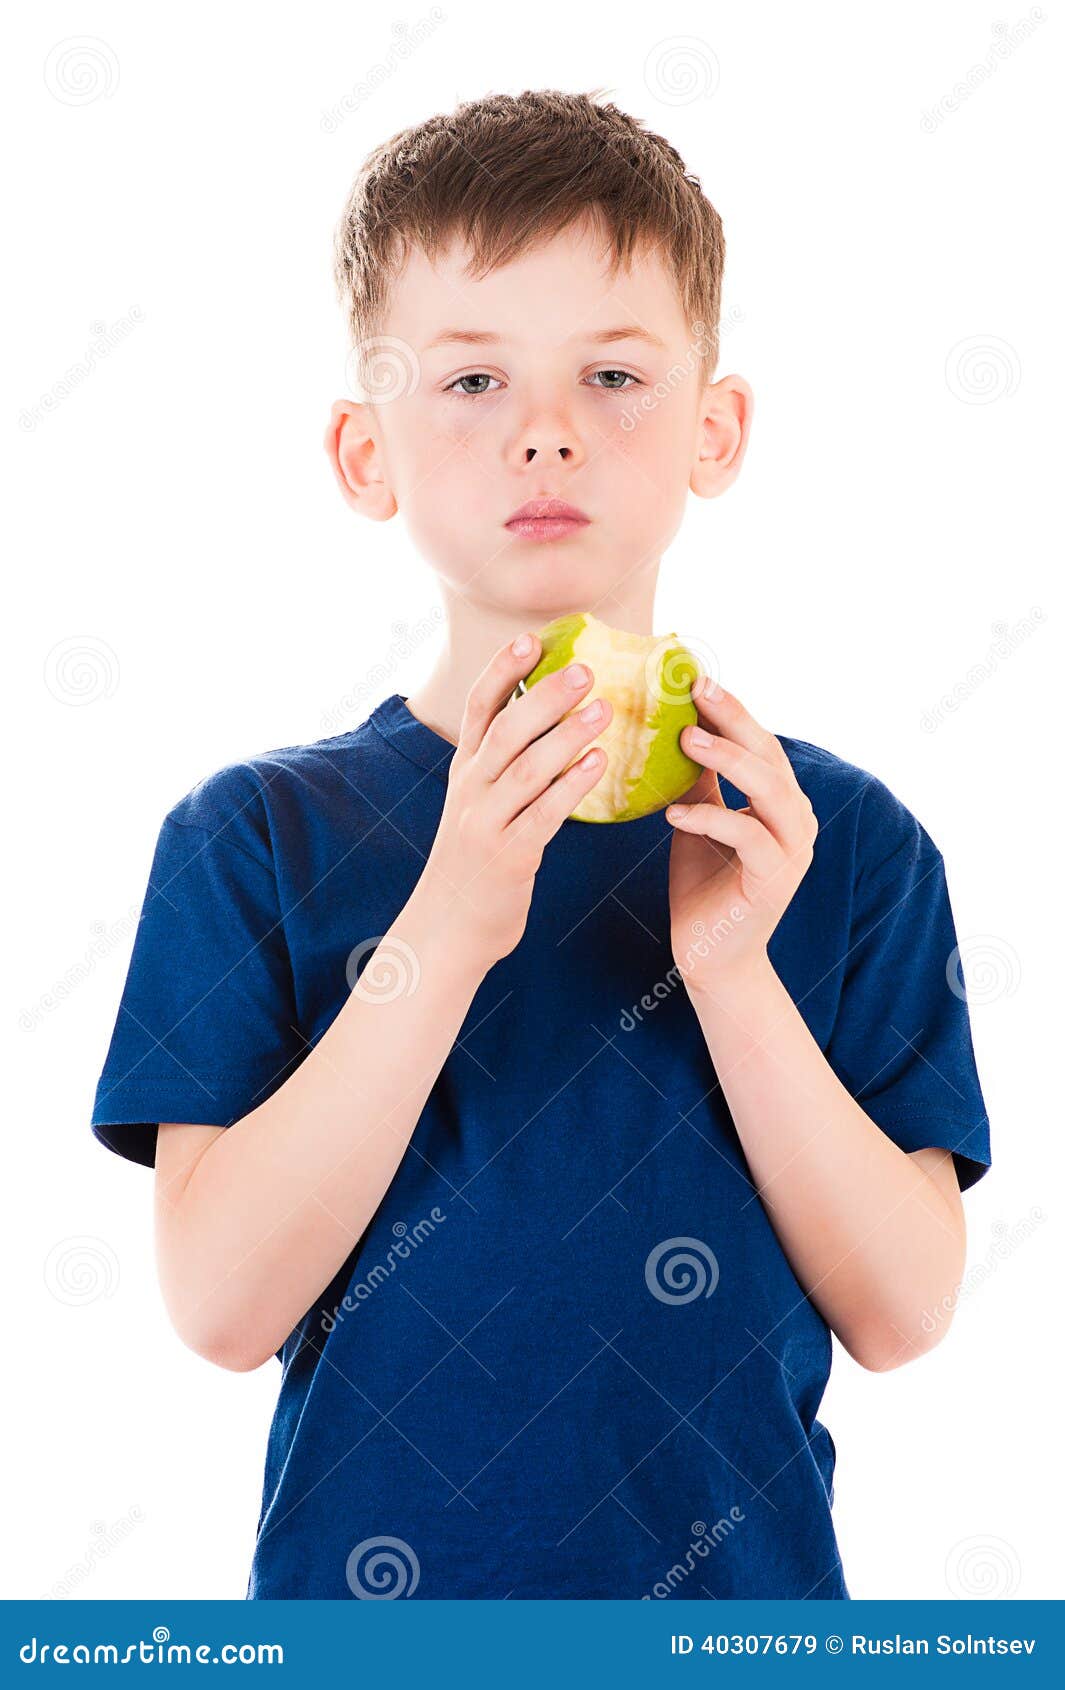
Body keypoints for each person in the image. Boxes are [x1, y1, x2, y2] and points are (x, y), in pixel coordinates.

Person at [90, 89, 992, 1600]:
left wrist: (726, 964)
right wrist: (447, 922)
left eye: (615, 372)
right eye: (470, 380)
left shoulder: (839, 844)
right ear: (364, 452)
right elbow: (222, 1303)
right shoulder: (254, 836)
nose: (547, 428)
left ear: (716, 430)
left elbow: (901, 1311)